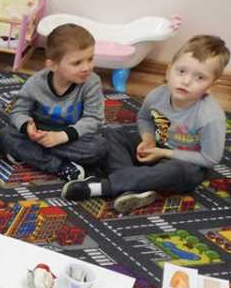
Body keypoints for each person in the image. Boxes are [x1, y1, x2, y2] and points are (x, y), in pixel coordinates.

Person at [62, 35, 228, 213]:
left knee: (178, 171)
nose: (186, 81)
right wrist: (148, 139)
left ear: (211, 85)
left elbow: (210, 159)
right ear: (168, 70)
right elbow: (144, 118)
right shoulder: (157, 95)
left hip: (185, 163)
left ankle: (103, 187)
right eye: (181, 71)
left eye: (200, 77)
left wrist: (163, 153)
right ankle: (130, 189)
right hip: (157, 147)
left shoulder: (210, 117)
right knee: (110, 134)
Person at [0, 23, 107, 181]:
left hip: (71, 135)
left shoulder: (92, 82)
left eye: (90, 59)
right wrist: (27, 127)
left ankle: (30, 154)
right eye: (77, 63)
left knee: (99, 147)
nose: (87, 68)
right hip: (39, 133)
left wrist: (62, 136)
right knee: (6, 135)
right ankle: (61, 167)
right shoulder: (36, 82)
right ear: (53, 65)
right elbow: (18, 110)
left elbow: (94, 118)